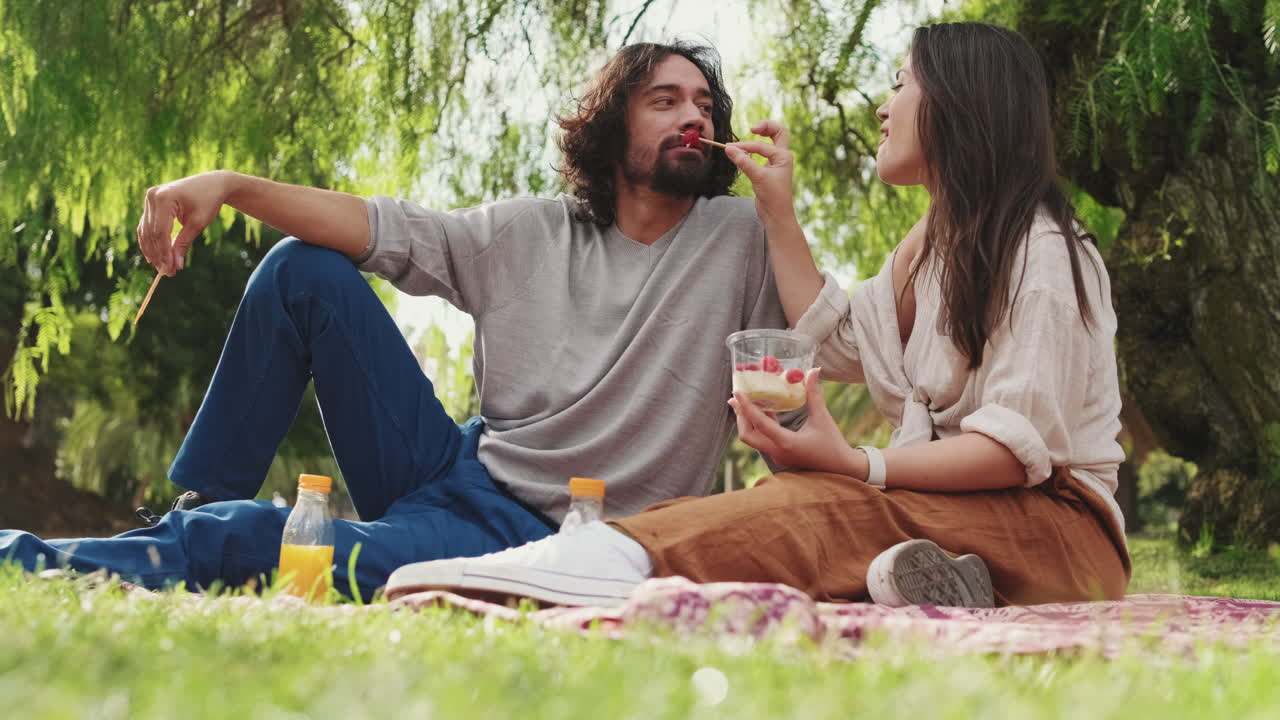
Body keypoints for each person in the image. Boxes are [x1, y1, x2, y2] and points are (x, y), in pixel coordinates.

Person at [0, 41, 801, 600]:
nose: (691, 115)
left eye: (703, 101)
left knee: (259, 544)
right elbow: (381, 227)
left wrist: (785, 219)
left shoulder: (744, 237)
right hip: (448, 470)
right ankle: (195, 506)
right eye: (664, 100)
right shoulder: (533, 230)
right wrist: (231, 183)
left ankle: (25, 560)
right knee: (300, 270)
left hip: (541, 540)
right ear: (612, 125)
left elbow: (815, 361)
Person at [383, 22, 1132, 609]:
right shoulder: (929, 249)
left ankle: (594, 564)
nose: (883, 103)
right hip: (955, 514)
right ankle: (942, 587)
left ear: (959, 104)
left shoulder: (1040, 253)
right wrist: (778, 212)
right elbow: (836, 339)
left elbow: (1011, 452)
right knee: (830, 512)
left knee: (820, 507)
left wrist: (859, 464)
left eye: (902, 83)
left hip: (1054, 528)